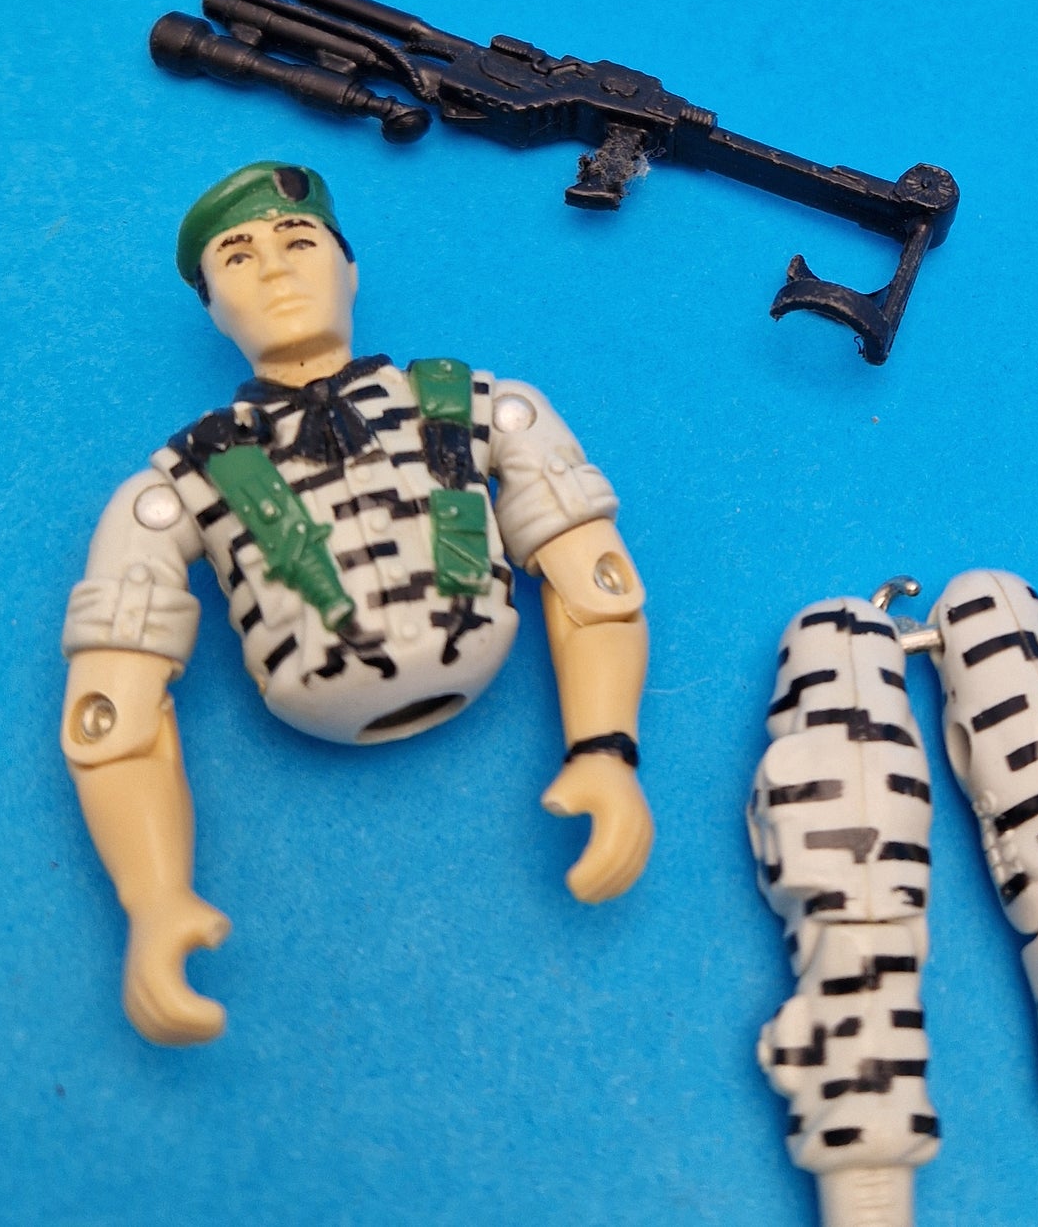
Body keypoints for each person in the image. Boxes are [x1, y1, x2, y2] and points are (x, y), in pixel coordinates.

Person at [59, 161, 652, 1044]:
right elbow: (113, 711)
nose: (274, 269)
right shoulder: (178, 486)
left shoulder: (478, 408)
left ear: (351, 269)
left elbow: (595, 586)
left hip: (468, 648)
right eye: (237, 257)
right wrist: (153, 898)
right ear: (212, 307)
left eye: (299, 242)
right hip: (313, 692)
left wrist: (605, 748)